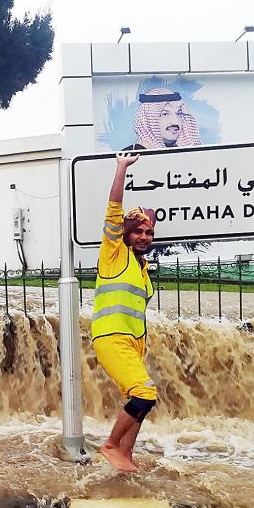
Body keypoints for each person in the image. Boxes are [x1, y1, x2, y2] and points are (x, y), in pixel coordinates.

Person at [92, 152, 158, 473]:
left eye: (149, 233)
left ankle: (126, 455)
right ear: (126, 233)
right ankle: (110, 445)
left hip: (131, 344)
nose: (144, 237)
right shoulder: (114, 253)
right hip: (112, 338)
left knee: (142, 400)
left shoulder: (141, 267)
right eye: (138, 232)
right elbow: (114, 209)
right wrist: (121, 168)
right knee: (144, 394)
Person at [127, 87, 202, 150]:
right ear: (147, 121)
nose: (175, 122)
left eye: (178, 113)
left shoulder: (190, 153)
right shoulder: (128, 157)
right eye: (165, 114)